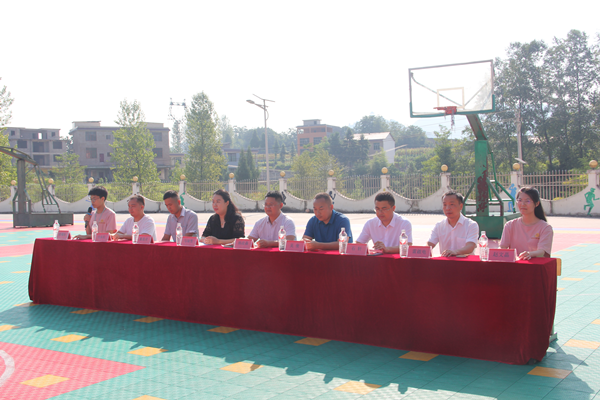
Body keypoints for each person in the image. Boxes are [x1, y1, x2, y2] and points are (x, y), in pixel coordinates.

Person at [500, 187, 553, 260]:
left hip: (534, 265)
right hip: (515, 265)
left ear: (537, 203)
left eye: (527, 201)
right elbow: (503, 247)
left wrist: (530, 254)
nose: (523, 204)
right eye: (520, 200)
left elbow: (543, 251)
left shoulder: (545, 227)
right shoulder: (509, 225)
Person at [427, 190, 479, 256]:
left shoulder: (471, 225)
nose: (447, 208)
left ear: (461, 206)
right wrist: (420, 250)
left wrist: (455, 252)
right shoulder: (439, 225)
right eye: (445, 205)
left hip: (465, 261)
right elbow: (430, 244)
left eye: (452, 204)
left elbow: (470, 247)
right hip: (446, 261)